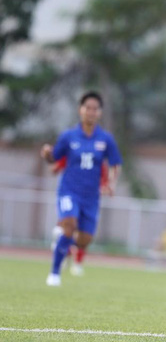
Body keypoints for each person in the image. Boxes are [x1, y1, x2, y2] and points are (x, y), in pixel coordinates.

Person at [41, 91, 122, 286]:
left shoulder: (106, 139)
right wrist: (46, 154)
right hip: (69, 191)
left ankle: (62, 242)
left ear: (99, 113)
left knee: (85, 239)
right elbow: (54, 157)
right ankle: (54, 274)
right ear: (80, 110)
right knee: (69, 225)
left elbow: (115, 163)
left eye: (95, 109)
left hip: (91, 197)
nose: (91, 112)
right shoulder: (69, 136)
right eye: (88, 108)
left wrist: (111, 183)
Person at [49, 157, 111, 276]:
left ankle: (76, 261)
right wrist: (52, 160)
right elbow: (56, 166)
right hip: (70, 195)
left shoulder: (98, 159)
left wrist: (104, 186)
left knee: (84, 236)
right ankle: (63, 253)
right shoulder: (72, 150)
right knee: (68, 226)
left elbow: (104, 179)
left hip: (88, 200)